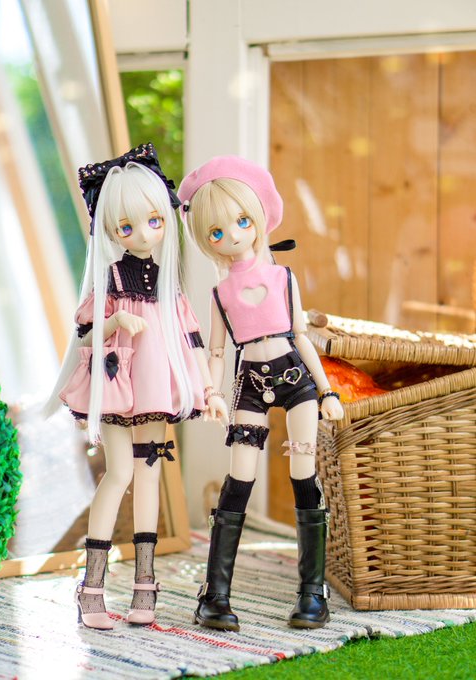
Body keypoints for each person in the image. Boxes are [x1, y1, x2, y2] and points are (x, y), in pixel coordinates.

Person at [45, 143, 227, 630]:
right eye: (127, 227)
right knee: (119, 473)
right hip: (118, 385)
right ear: (110, 231)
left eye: (154, 221)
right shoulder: (109, 279)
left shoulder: (169, 287)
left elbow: (191, 340)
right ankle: (91, 588)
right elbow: (84, 333)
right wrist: (116, 321)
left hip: (156, 392)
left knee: (148, 475)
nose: (144, 234)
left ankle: (146, 587)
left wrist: (210, 392)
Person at [178, 156, 343, 631]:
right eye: (216, 232)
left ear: (257, 219)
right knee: (240, 479)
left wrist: (327, 390)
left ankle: (312, 591)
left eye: (241, 222)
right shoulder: (220, 294)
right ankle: (214, 595)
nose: (231, 236)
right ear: (206, 239)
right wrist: (210, 392)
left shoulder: (282, 278)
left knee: (303, 470)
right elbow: (216, 351)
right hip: (248, 383)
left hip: (296, 379)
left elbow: (302, 337)